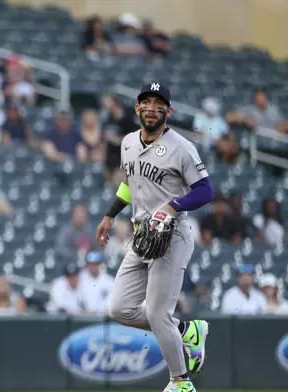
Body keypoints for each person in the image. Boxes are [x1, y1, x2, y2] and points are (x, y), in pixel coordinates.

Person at [95, 83, 215, 392]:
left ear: (169, 112)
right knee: (119, 309)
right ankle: (188, 331)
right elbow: (129, 182)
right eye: (146, 102)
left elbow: (205, 190)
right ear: (136, 109)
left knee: (158, 313)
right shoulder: (127, 143)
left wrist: (174, 206)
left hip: (172, 237)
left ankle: (181, 382)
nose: (151, 107)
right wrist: (110, 214)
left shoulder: (182, 146)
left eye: (159, 103)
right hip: (142, 237)